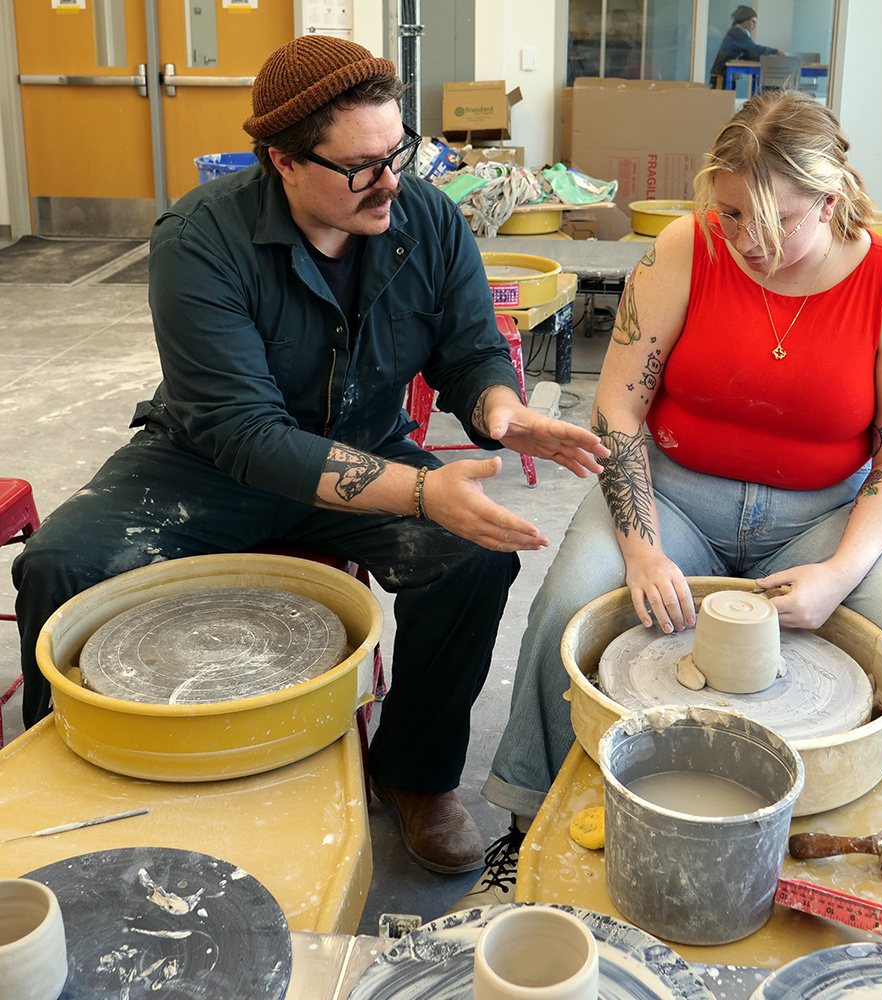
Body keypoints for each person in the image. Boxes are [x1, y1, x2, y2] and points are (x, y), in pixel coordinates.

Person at [11, 36, 607, 876]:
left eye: (398, 151)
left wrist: (502, 412)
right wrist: (418, 493)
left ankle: (416, 776)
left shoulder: (423, 218)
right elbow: (242, 432)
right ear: (284, 161)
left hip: (360, 442)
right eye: (362, 166)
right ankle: (68, 773)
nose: (392, 180)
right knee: (62, 563)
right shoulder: (199, 238)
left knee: (474, 556)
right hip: (203, 464)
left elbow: (470, 349)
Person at [454, 89, 882, 909]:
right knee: (565, 610)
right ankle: (529, 822)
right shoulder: (684, 250)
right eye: (728, 213)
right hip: (676, 493)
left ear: (830, 202)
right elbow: (618, 407)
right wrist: (641, 545)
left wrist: (839, 572)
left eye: (771, 223)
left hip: (826, 509)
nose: (743, 241)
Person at [710, 5, 782, 83]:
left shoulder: (738, 33)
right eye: (753, 22)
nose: (754, 26)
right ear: (744, 20)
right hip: (721, 77)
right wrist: (776, 52)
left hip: (725, 75)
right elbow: (753, 50)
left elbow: (749, 54)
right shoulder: (737, 33)